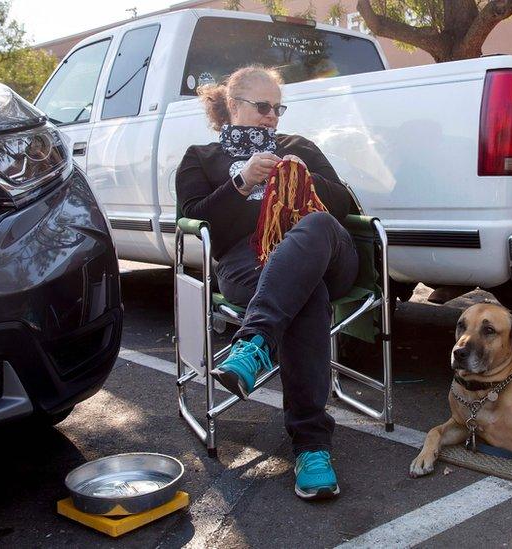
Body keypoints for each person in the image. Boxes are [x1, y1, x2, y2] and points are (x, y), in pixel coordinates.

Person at [176, 65, 358, 500]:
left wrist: (301, 178)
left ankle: (253, 343)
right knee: (302, 292)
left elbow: (348, 204)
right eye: (262, 107)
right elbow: (198, 223)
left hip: (326, 252)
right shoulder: (201, 158)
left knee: (315, 228)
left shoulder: (298, 147)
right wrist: (241, 183)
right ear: (232, 106)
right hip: (247, 264)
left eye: (277, 108)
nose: (271, 117)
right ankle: (311, 446)